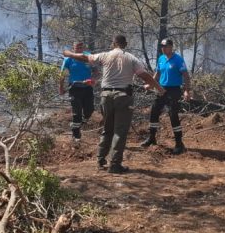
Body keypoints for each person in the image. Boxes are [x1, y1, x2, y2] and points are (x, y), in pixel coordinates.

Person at [63, 35, 163, 174]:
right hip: (123, 96)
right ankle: (115, 164)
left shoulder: (105, 55)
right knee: (120, 131)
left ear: (113, 44)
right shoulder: (131, 58)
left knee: (107, 128)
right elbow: (144, 76)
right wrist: (159, 88)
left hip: (106, 96)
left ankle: (100, 159)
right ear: (125, 44)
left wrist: (69, 54)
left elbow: (85, 57)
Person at [140, 38, 192, 154]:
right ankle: (152, 138)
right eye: (162, 46)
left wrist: (187, 91)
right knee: (154, 111)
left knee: (173, 114)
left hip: (174, 90)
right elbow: (157, 73)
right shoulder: (161, 59)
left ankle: (179, 143)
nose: (163, 48)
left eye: (165, 46)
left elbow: (186, 75)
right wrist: (151, 84)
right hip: (161, 89)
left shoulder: (178, 59)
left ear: (171, 47)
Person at [59, 40, 96, 140]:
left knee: (90, 110)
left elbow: (96, 71)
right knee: (77, 113)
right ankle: (76, 135)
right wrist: (61, 88)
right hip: (74, 88)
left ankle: (78, 125)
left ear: (83, 48)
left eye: (81, 47)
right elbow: (62, 74)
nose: (79, 49)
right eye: (77, 48)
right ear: (73, 48)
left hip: (87, 88)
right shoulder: (68, 59)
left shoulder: (88, 56)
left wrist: (93, 79)